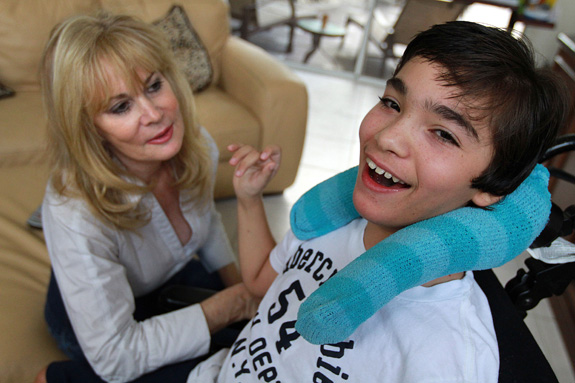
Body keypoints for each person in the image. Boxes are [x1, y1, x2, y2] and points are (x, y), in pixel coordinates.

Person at [184, 21, 568, 382]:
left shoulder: (448, 355)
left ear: (494, 186)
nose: (388, 137)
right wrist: (250, 200)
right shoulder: (329, 222)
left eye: (443, 134)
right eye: (392, 103)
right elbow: (257, 284)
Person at [35, 12, 257, 383]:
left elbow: (210, 225)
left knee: (251, 347)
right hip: (94, 325)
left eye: (154, 85)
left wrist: (241, 288)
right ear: (89, 128)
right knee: (215, 370)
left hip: (167, 284)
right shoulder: (73, 213)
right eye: (121, 107)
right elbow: (116, 355)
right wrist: (234, 303)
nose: (155, 115)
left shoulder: (196, 143)